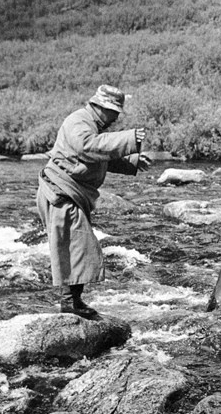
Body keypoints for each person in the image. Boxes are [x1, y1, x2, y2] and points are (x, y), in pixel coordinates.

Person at [35, 84, 152, 319]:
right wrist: (128, 138)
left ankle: (73, 301)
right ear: (100, 107)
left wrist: (132, 161)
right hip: (60, 193)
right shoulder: (78, 121)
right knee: (77, 246)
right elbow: (88, 147)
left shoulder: (91, 124)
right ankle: (70, 303)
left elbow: (100, 157)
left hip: (68, 193)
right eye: (114, 112)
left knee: (77, 246)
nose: (116, 117)